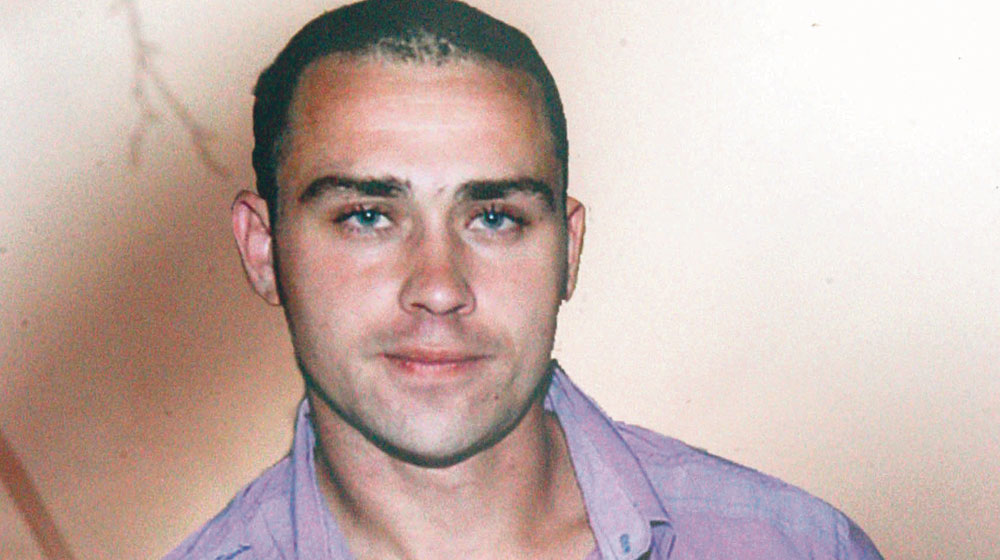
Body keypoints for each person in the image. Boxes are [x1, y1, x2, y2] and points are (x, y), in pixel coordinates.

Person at [164, 1, 884, 558]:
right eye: (367, 217)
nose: (439, 288)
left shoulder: (796, 547)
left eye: (494, 218)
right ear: (263, 250)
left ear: (569, 250)